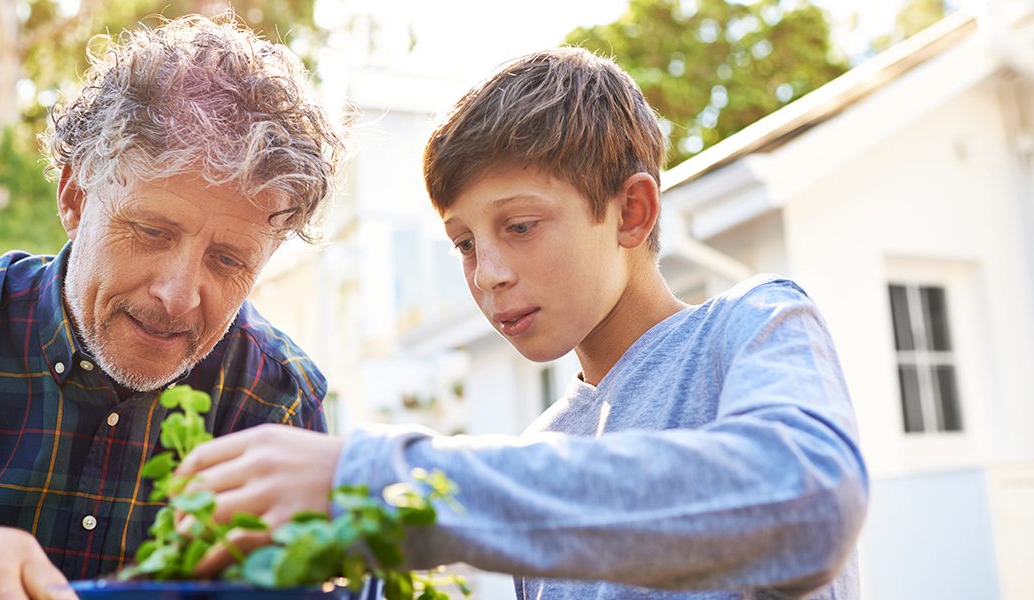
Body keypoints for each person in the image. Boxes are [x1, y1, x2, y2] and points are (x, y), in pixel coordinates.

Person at [177, 48, 869, 599]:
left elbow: (809, 502)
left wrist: (380, 484)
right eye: (465, 243)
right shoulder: (545, 443)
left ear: (631, 212)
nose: (488, 273)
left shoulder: (752, 326)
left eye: (521, 226)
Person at [0, 12, 342, 600]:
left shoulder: (279, 400)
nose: (178, 296)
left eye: (228, 261)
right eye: (152, 231)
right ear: (75, 197)